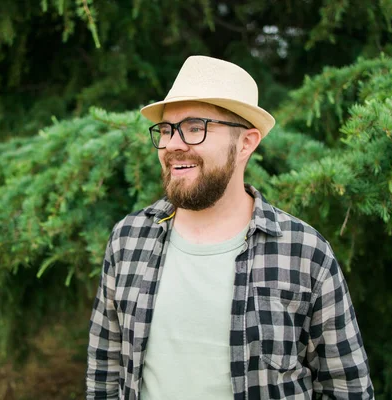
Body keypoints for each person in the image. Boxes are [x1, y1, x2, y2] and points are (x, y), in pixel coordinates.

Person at [86, 55, 374, 400]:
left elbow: (347, 387)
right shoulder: (128, 239)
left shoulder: (304, 252)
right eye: (166, 130)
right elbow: (104, 372)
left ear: (247, 143)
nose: (173, 144)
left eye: (195, 127)